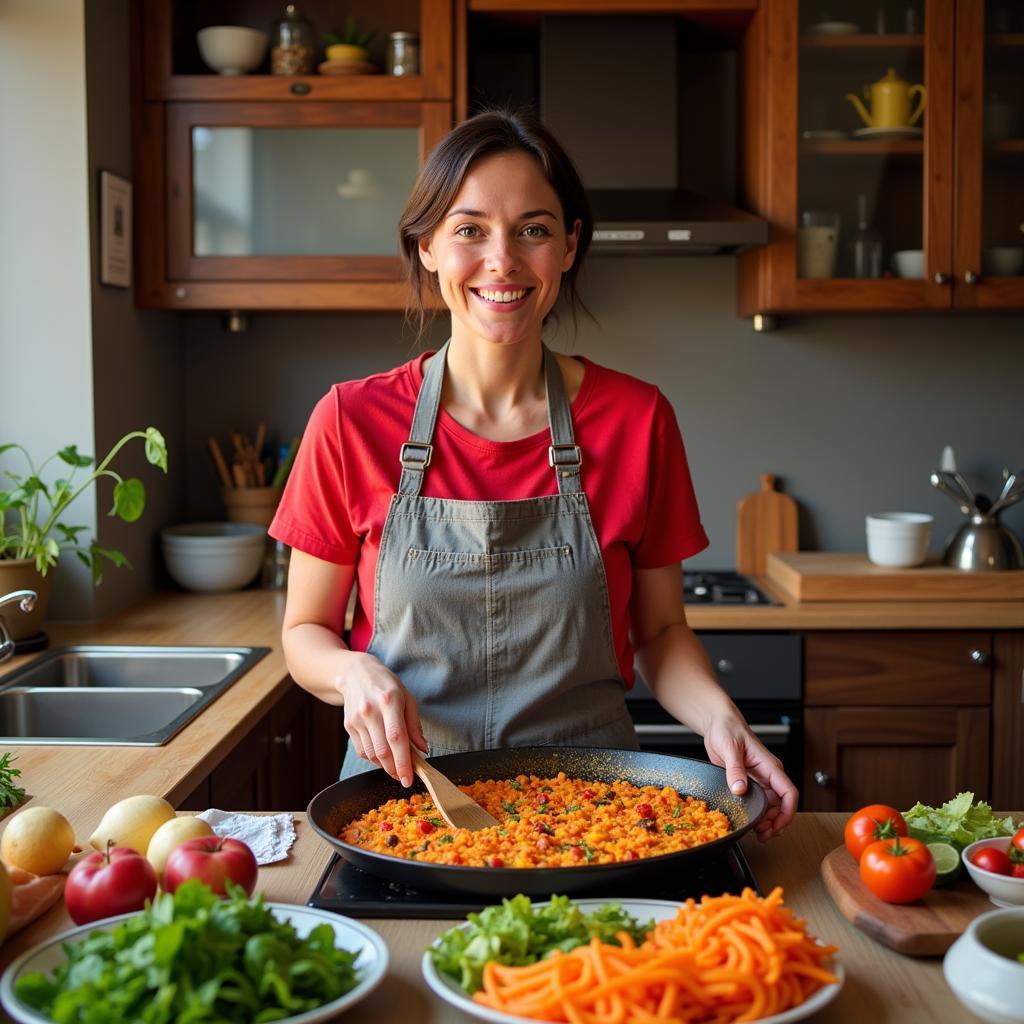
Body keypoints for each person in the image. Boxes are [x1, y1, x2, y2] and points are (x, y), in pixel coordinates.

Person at [270, 109, 797, 840]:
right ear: (426, 246)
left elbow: (663, 631)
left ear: (570, 246)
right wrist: (353, 674)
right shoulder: (349, 420)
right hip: (402, 807)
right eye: (469, 229)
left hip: (598, 814)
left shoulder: (638, 418)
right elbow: (303, 632)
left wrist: (722, 719)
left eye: (534, 229)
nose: (503, 260)